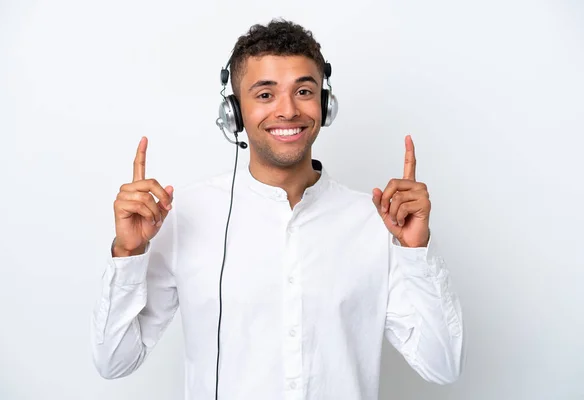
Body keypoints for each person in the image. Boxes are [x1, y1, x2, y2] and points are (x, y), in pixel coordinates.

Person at [91, 18, 465, 400]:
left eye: (304, 91)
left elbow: (442, 366)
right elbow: (115, 362)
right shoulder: (182, 215)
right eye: (265, 95)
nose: (287, 111)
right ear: (233, 112)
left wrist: (416, 252)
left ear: (325, 103)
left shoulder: (376, 222)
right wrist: (129, 254)